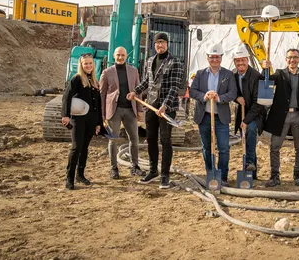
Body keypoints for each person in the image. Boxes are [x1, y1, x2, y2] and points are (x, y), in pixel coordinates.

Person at [127, 32, 183, 189]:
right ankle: (153, 171)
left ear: (167, 44)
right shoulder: (150, 60)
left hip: (166, 108)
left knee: (165, 140)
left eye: (163, 42)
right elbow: (147, 81)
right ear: (154, 44)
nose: (160, 45)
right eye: (158, 42)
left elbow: (174, 87)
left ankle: (164, 175)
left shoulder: (174, 62)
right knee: (151, 139)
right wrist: (136, 92)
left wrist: (165, 105)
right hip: (151, 106)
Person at [262, 48, 299, 187]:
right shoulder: (279, 74)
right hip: (281, 116)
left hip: (298, 116)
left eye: (295, 57)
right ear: (286, 59)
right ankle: (275, 176)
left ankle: (297, 175)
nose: (293, 60)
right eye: (290, 57)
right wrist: (265, 69)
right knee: (275, 147)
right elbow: (266, 82)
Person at [189, 44, 237, 186]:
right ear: (207, 58)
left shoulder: (228, 75)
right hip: (204, 117)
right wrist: (205, 96)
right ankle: (211, 173)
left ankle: (222, 176)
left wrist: (219, 97)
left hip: (221, 118)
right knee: (206, 147)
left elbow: (233, 93)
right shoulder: (200, 74)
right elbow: (192, 91)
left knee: (223, 148)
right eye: (212, 57)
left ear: (221, 58)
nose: (214, 59)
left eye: (217, 57)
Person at [99, 46, 144, 180]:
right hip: (114, 111)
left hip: (130, 110)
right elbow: (102, 94)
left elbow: (138, 91)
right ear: (114, 56)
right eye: (118, 55)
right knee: (113, 140)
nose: (120, 57)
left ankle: (134, 166)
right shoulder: (107, 72)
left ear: (126, 57)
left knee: (134, 140)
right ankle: (114, 168)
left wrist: (140, 109)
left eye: (123, 55)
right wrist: (102, 113)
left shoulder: (133, 71)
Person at [61, 54, 102, 190]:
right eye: (86, 64)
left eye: (90, 63)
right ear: (81, 65)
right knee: (76, 147)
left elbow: (98, 105)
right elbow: (67, 97)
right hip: (78, 119)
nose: (88, 66)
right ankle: (69, 178)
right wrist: (65, 116)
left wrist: (99, 123)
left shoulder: (95, 82)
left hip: (91, 120)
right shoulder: (77, 79)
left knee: (84, 148)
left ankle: (80, 175)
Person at [232, 46, 266, 179]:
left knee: (250, 131)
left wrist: (246, 121)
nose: (240, 63)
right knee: (245, 140)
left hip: (255, 113)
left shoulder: (256, 76)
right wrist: (236, 98)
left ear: (248, 60)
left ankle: (249, 163)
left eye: (243, 60)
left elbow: (259, 102)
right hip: (241, 111)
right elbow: (230, 91)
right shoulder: (233, 75)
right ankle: (251, 173)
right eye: (237, 60)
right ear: (234, 61)